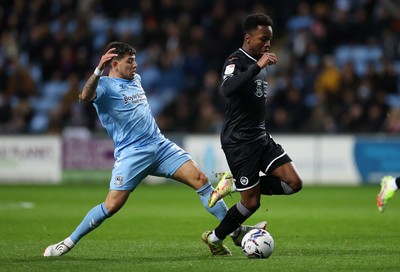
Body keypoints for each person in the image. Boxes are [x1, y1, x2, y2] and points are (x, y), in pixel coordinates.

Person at [43, 41, 265, 257]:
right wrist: (98, 69)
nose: (135, 65)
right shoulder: (103, 87)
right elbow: (84, 96)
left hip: (160, 146)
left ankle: (234, 232)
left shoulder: (136, 79)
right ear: (114, 64)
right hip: (132, 153)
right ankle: (68, 242)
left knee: (200, 179)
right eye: (130, 61)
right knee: (111, 206)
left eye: (135, 60)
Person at [201, 14, 303, 255]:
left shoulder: (260, 63)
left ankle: (234, 184)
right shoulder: (236, 60)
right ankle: (215, 238)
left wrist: (261, 64)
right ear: (248, 38)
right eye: (263, 39)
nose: (268, 44)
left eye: (270, 39)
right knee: (252, 203)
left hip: (261, 137)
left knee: (294, 183)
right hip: (239, 142)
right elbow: (226, 88)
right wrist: (258, 65)